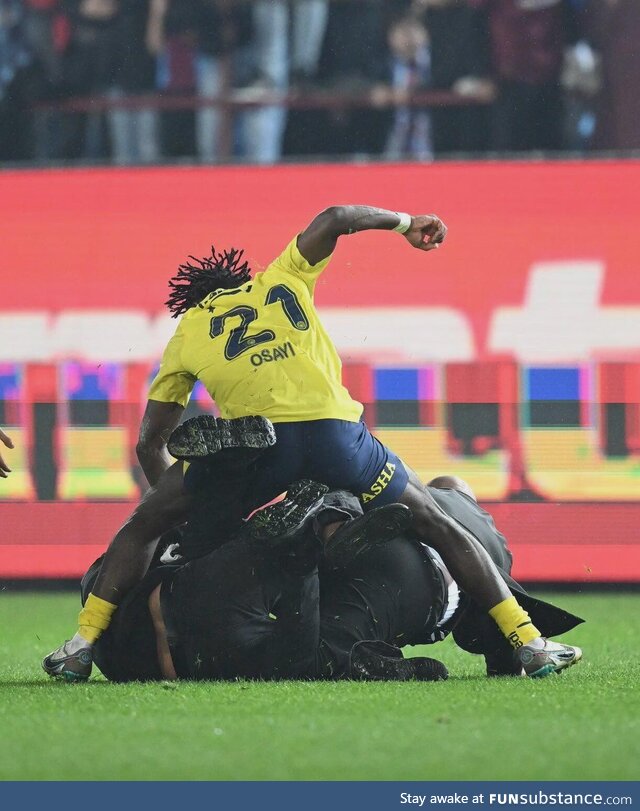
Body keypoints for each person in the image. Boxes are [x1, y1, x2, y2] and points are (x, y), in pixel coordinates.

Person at [43, 204, 569, 681]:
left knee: (143, 526)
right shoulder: (282, 278)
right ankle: (528, 641)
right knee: (436, 519)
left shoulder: (185, 333)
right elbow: (338, 215)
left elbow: (149, 445)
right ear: (240, 279)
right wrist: (408, 225)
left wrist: (186, 513)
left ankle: (80, 645)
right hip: (336, 436)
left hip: (258, 451)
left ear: (194, 298)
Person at [76, 476, 583, 683]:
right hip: (413, 582)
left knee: (310, 631)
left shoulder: (445, 507)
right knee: (315, 649)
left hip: (396, 563)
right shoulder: (478, 560)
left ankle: (320, 526)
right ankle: (313, 532)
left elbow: (450, 484)